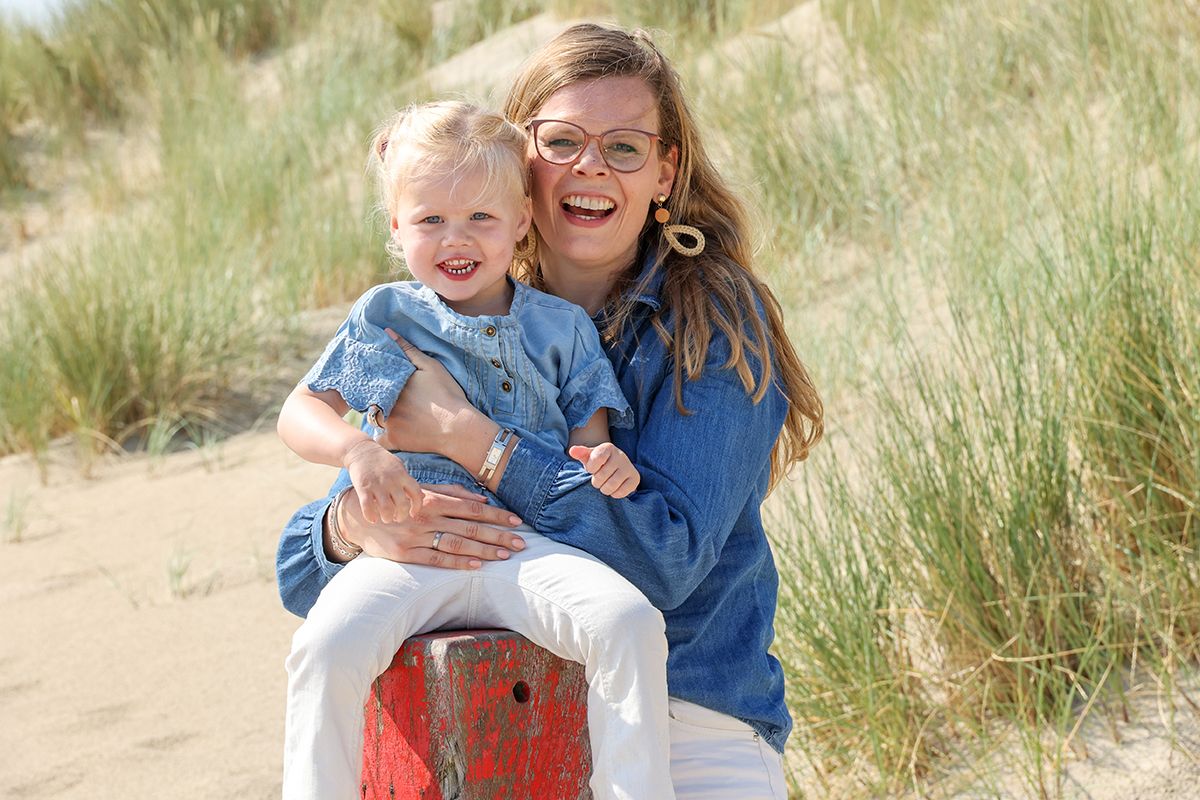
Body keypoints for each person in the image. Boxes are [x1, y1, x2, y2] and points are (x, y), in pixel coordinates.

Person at [276, 22, 824, 800]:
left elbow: (659, 567)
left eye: (626, 147)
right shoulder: (447, 302)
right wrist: (350, 526)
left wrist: (472, 439)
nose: (591, 165)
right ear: (518, 161)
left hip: (682, 724)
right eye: (562, 140)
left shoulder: (714, 323)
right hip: (485, 713)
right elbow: (299, 574)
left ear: (665, 173)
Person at [278, 101, 674, 800]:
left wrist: (610, 466)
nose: (455, 238)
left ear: (522, 220)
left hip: (528, 547)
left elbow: (590, 451)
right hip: (411, 544)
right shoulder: (386, 319)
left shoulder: (561, 329)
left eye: (480, 219)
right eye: (430, 219)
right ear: (397, 229)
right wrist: (358, 454)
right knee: (325, 647)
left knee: (629, 623)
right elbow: (302, 410)